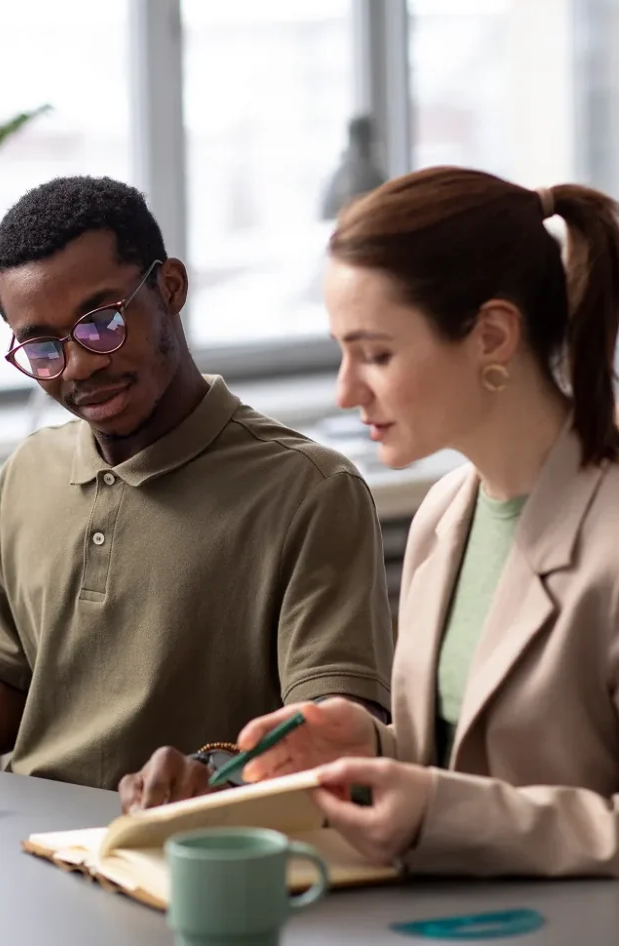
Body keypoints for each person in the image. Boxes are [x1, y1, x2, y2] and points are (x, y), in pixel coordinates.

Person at [0, 175, 394, 790]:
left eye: (101, 322)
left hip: (185, 836)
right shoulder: (30, 473)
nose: (81, 365)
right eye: (43, 348)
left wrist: (211, 777)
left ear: (171, 289)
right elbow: (10, 690)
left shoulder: (310, 490)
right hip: (21, 831)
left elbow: (332, 738)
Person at [126, 165, 619, 878]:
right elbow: (468, 767)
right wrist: (371, 748)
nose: (345, 390)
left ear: (492, 336)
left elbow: (469, 808)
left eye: (376, 354)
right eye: (341, 351)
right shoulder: (445, 516)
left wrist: (432, 810)